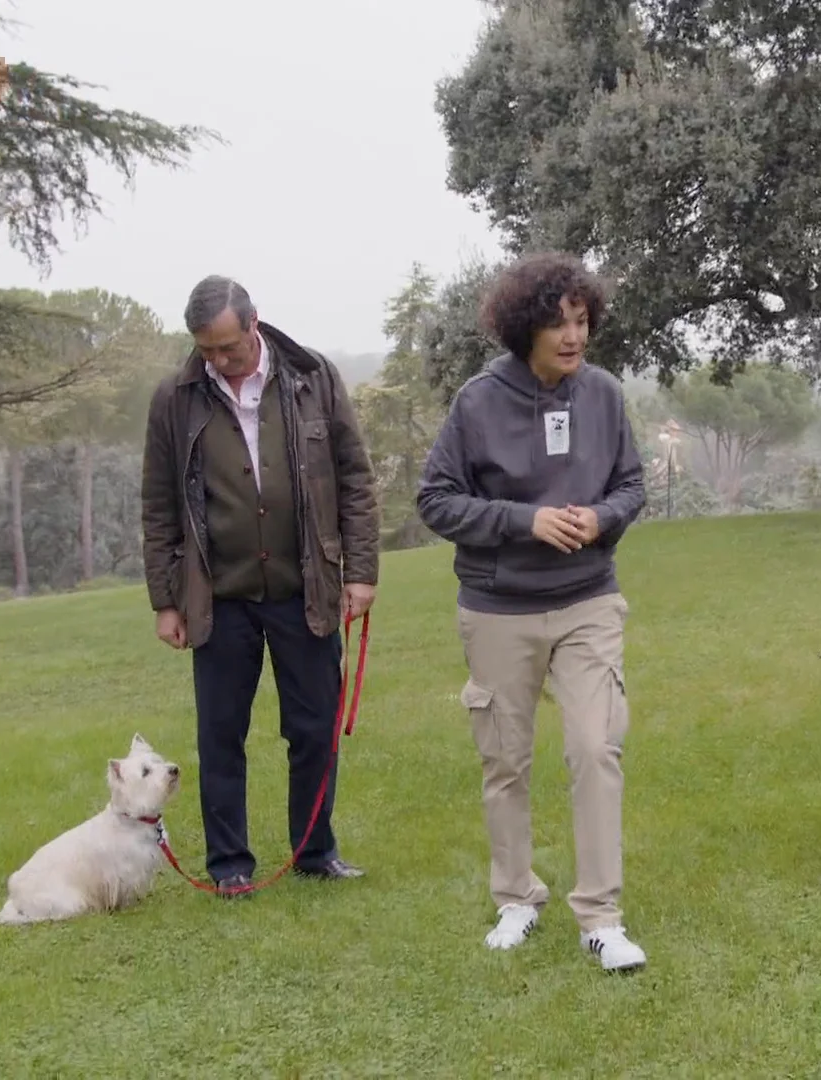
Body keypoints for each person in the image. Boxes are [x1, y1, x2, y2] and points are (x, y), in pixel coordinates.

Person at [415, 251, 650, 971]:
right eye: (558, 325)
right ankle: (516, 899)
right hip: (499, 609)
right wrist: (526, 521)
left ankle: (601, 917)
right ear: (525, 330)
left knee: (594, 747)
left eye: (582, 322)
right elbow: (437, 499)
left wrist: (601, 517)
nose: (574, 337)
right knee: (506, 762)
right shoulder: (478, 402)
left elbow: (632, 484)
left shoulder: (605, 394)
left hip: (588, 600)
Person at [140, 275, 380, 892]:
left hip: (307, 587)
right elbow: (159, 505)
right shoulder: (176, 397)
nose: (217, 360)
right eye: (205, 350)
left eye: (228, 347)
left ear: (254, 324)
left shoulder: (313, 376)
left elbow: (354, 477)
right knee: (221, 736)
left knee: (314, 727)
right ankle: (230, 868)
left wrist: (362, 572)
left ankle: (314, 852)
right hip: (217, 597)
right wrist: (165, 600)